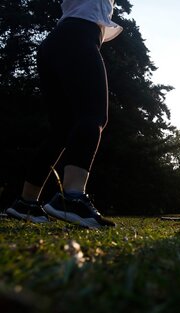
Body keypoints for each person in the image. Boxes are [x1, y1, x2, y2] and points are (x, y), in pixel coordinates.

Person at [6, 0, 122, 228]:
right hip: (79, 37)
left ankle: (26, 202)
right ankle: (72, 196)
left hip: (57, 42)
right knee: (93, 115)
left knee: (61, 130)